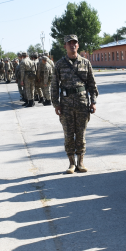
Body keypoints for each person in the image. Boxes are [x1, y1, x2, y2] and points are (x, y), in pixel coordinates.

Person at [51, 35, 98, 174]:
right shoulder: (59, 64)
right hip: (66, 105)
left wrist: (93, 101)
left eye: (74, 43)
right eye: (69, 43)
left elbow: (92, 84)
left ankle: (81, 161)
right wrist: (56, 104)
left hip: (82, 104)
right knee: (68, 134)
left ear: (78, 45)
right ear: (65, 46)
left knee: (81, 134)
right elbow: (54, 86)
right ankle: (71, 163)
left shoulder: (85, 63)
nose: (72, 45)